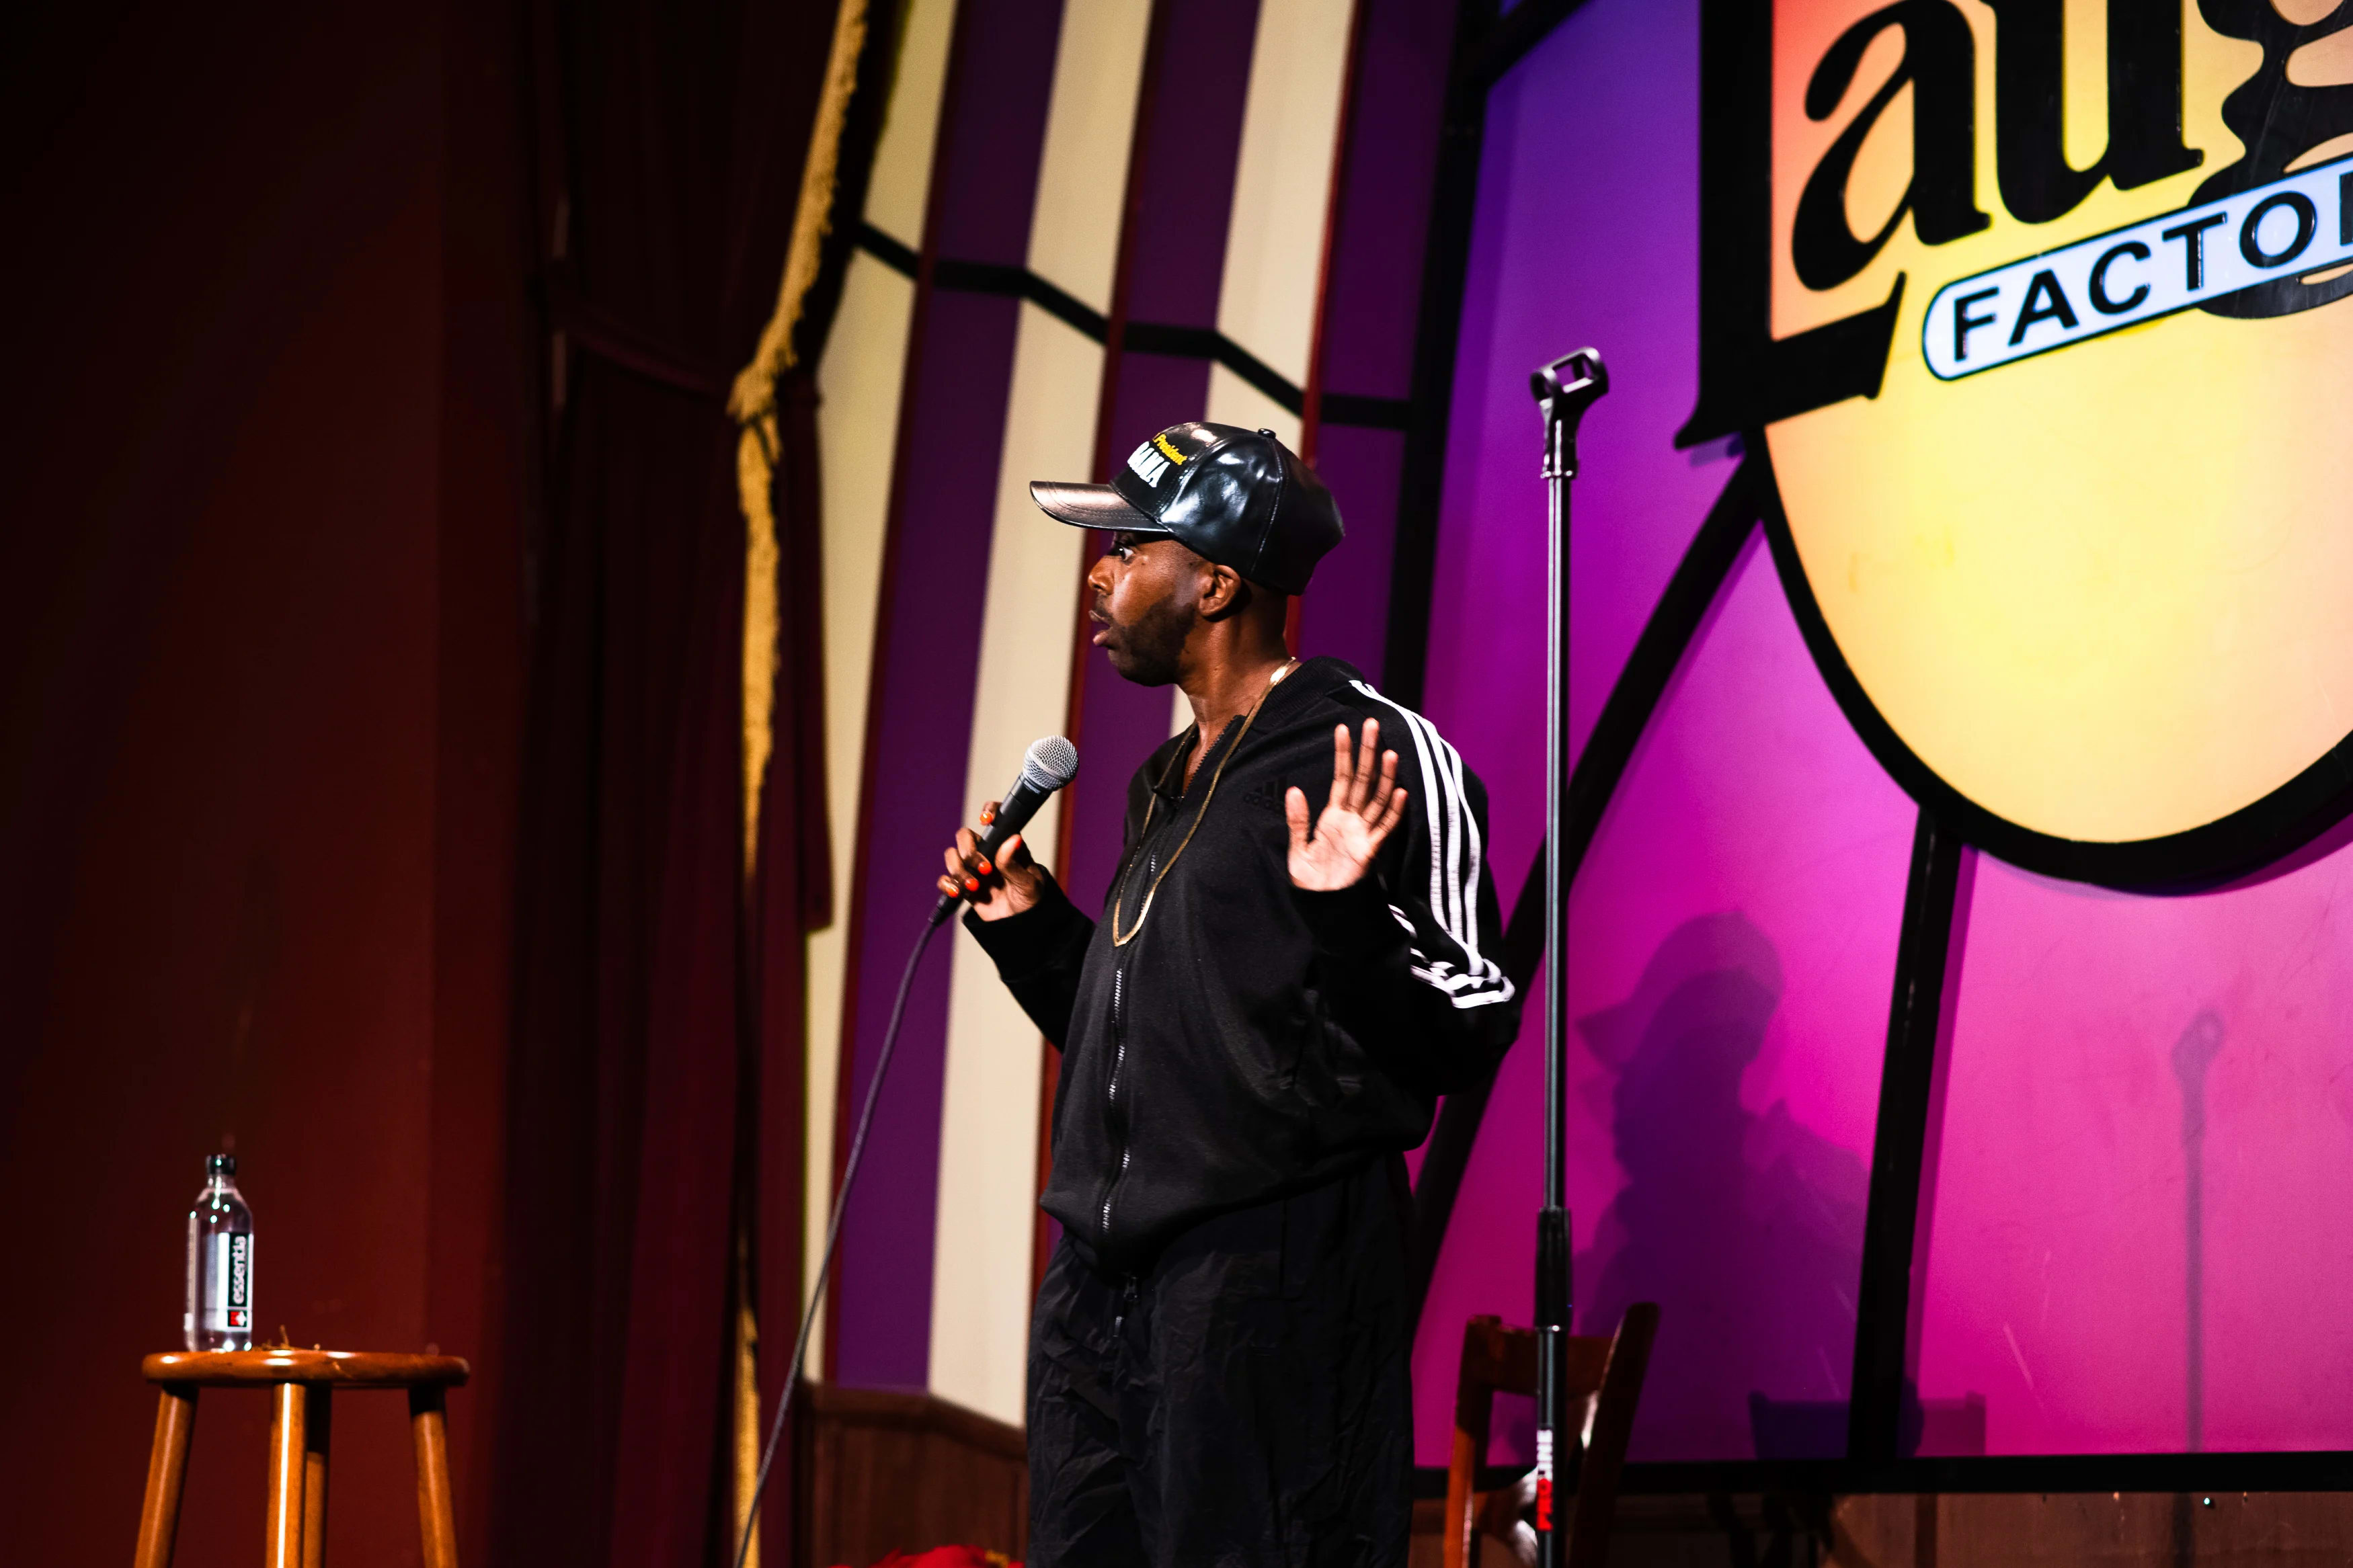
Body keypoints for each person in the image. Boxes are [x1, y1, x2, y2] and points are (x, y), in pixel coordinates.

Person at [937, 421, 1521, 1567]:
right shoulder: (1163, 779)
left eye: (1129, 547)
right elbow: (1184, 1043)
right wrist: (1034, 931)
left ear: (1215, 584)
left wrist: (1348, 913)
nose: (1099, 574)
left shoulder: (1373, 751)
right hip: (1102, 1288)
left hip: (1264, 1286)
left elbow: (1470, 1021)